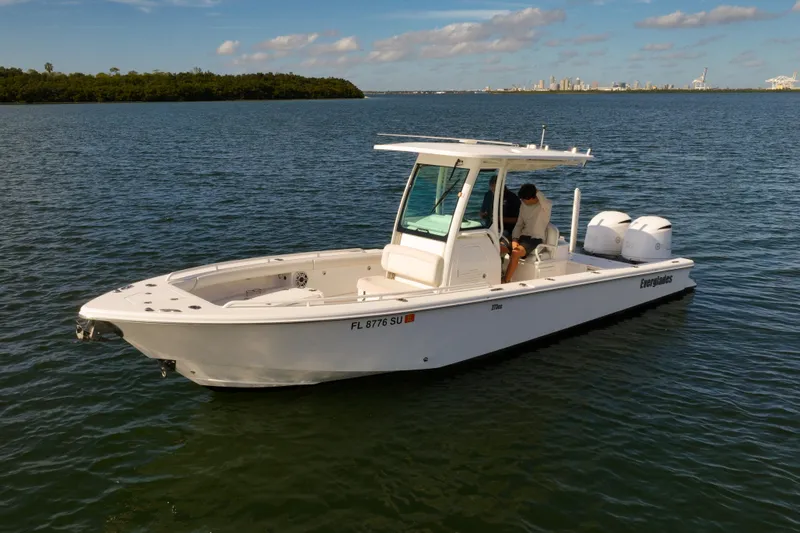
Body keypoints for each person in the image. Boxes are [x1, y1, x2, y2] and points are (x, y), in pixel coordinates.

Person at [500, 183, 552, 283]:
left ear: (533, 197)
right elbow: (519, 224)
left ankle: (505, 280)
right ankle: (496, 273)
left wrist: (535, 190)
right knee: (497, 247)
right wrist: (515, 239)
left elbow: (542, 198)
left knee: (515, 253)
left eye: (524, 199)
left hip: (535, 239)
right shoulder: (523, 205)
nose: (522, 201)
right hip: (522, 236)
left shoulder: (545, 206)